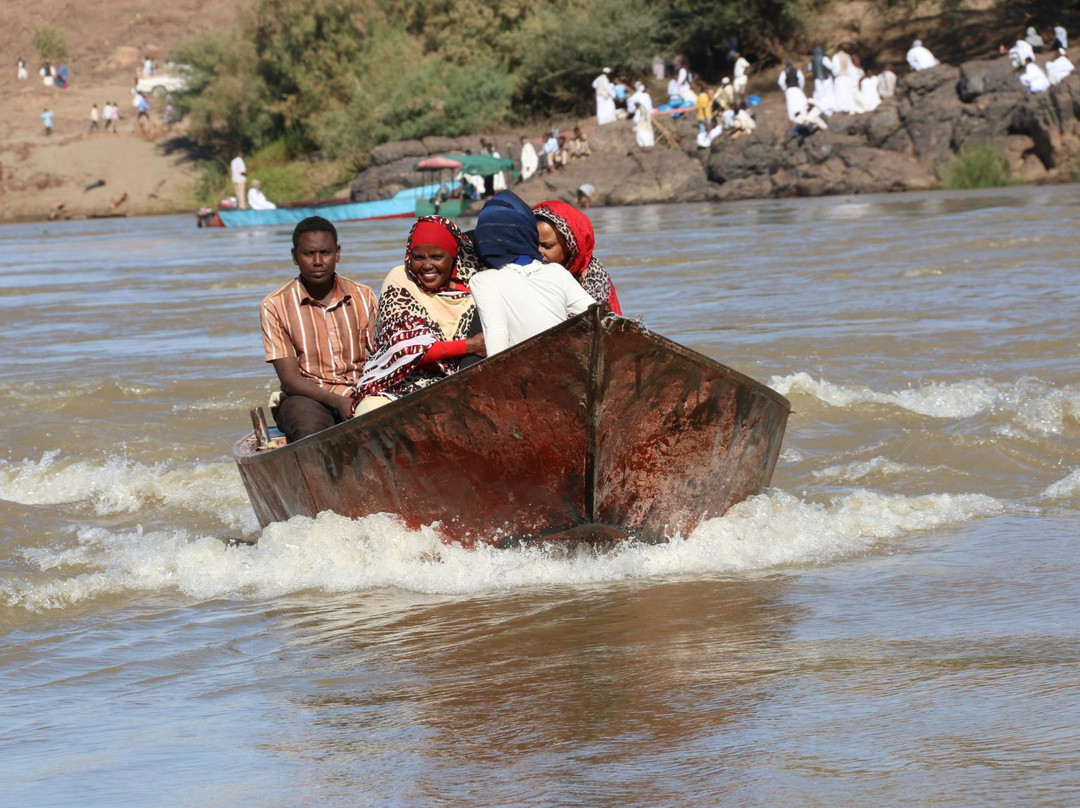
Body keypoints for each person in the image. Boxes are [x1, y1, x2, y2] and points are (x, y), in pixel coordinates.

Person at [260, 217, 378, 443]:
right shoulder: (275, 305)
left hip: (361, 391)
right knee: (310, 429)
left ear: (337, 253)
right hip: (307, 397)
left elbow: (383, 356)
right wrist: (337, 401)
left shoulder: (363, 296)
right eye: (308, 254)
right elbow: (289, 379)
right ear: (295, 257)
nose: (317, 261)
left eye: (325, 253)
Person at [353, 216, 485, 414]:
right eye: (419, 257)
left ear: (452, 257)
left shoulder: (474, 291)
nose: (427, 266)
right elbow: (404, 348)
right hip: (396, 385)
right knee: (368, 410)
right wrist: (469, 345)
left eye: (437, 257)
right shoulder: (401, 280)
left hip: (451, 384)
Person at [468, 191, 596, 356]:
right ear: (530, 234)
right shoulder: (557, 271)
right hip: (564, 361)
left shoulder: (482, 281)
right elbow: (599, 315)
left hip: (526, 368)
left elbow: (497, 336)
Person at [534, 200, 622, 314]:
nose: (538, 251)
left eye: (547, 246)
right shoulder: (525, 274)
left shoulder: (594, 282)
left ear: (571, 246)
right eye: (533, 244)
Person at [808, 46, 835, 114]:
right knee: (828, 94)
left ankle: (821, 108)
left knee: (819, 94)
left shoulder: (812, 60)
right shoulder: (824, 58)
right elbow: (831, 66)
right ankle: (828, 108)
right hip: (826, 78)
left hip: (817, 79)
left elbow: (809, 69)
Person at [831, 47, 856, 113]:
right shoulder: (847, 56)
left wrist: (835, 74)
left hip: (840, 77)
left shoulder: (836, 56)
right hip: (847, 77)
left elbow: (835, 68)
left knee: (841, 93)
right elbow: (850, 68)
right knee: (848, 93)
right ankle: (850, 108)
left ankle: (843, 108)